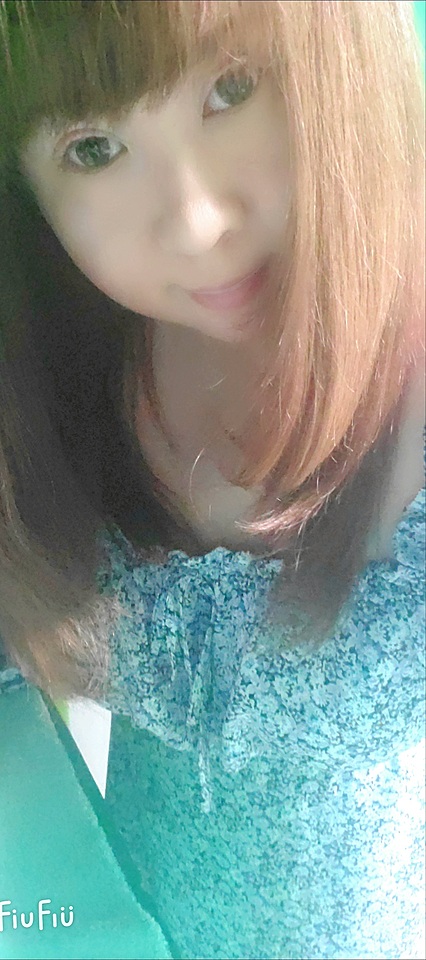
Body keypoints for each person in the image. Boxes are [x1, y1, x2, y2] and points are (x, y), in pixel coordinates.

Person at [0, 1, 424, 957]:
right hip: (125, 912)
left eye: (232, 86)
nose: (197, 222)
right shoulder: (76, 360)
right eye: (94, 148)